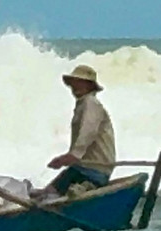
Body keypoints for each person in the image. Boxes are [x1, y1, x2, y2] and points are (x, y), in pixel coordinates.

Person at [42, 64, 116, 201]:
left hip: (94, 169)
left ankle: (85, 187)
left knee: (51, 194)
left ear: (89, 85)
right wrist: (68, 158)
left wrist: (72, 156)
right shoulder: (83, 104)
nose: (75, 86)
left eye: (80, 82)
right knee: (45, 193)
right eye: (74, 83)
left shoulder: (91, 103)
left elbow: (88, 132)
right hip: (82, 167)